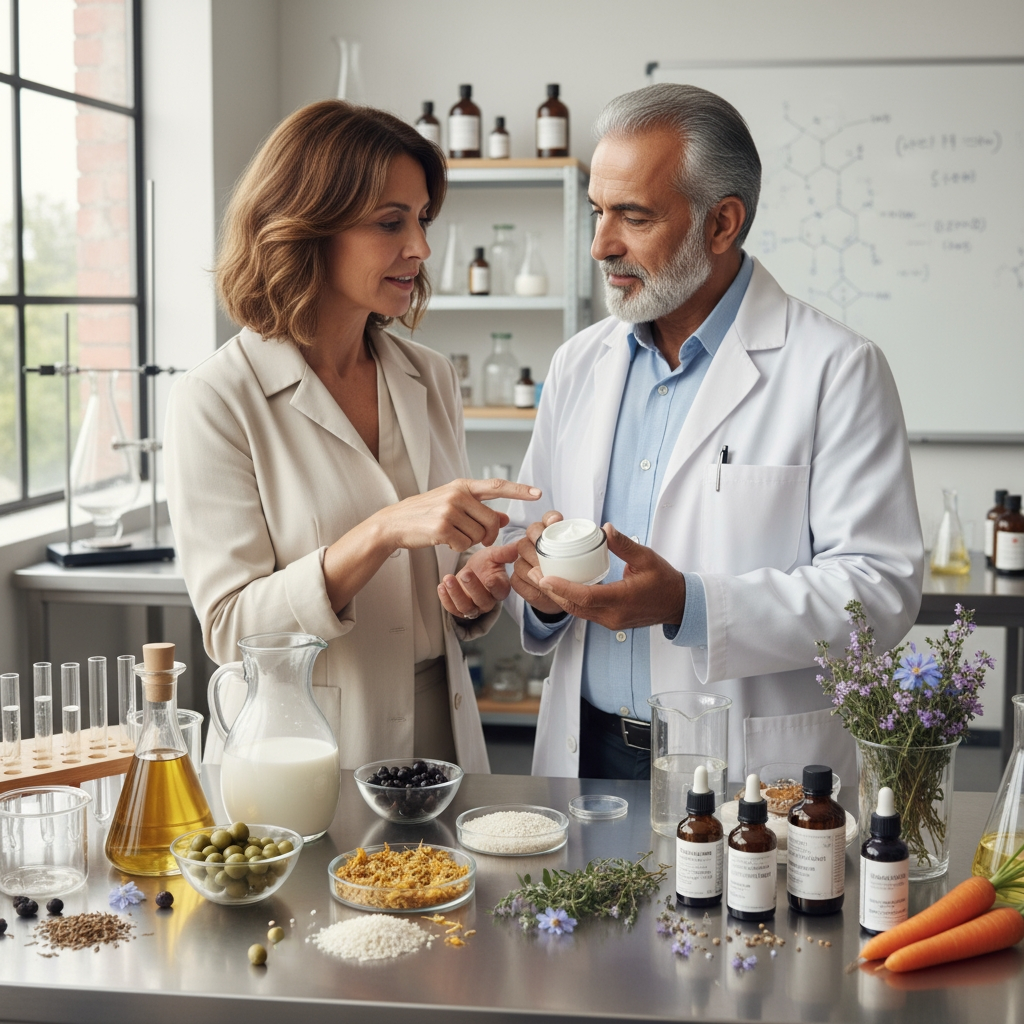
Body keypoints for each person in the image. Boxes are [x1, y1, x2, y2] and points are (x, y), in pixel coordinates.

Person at [461, 84, 923, 782]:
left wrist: (690, 604)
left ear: (721, 223)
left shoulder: (836, 369)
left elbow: (880, 591)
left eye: (633, 217)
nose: (599, 245)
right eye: (596, 212)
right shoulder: (580, 363)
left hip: (744, 767)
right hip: (587, 756)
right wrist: (529, 584)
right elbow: (534, 535)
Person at [164, 101, 538, 772]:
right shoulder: (218, 398)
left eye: (422, 220)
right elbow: (230, 628)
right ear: (309, 226)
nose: (420, 248)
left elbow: (435, 582)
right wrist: (381, 530)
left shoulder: (428, 376)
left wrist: (471, 587)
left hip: (441, 734)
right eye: (390, 222)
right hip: (306, 752)